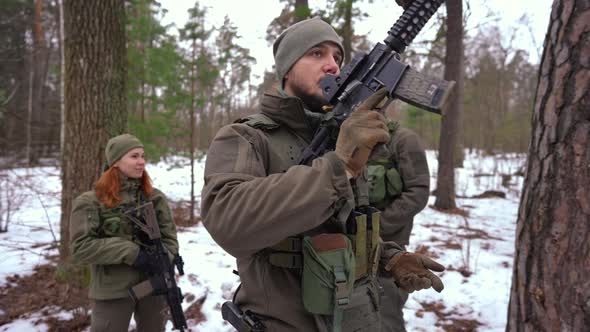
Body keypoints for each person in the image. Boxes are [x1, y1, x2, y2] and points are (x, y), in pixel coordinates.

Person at [201, 17, 444, 332]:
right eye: (317, 53)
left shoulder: (338, 137)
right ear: (287, 68)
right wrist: (338, 165)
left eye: (337, 57)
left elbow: (339, 228)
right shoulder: (245, 136)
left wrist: (389, 257)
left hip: (354, 317)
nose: (332, 65)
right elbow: (228, 221)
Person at [70, 134, 179, 332]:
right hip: (113, 290)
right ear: (116, 162)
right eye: (134, 156)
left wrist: (164, 258)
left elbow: (170, 240)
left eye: (143, 156)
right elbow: (80, 247)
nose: (141, 162)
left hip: (153, 286)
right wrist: (131, 252)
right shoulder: (91, 202)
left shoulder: (154, 198)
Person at [367, 113, 431, 331]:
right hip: (344, 250)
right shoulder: (339, 138)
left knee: (385, 318)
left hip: (389, 252)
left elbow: (418, 192)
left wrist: (377, 227)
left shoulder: (401, 140)